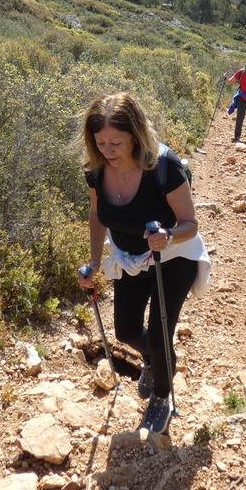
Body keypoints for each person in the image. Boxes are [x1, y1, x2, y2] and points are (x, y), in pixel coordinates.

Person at [78, 93, 210, 435]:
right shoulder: (95, 171)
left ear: (135, 135)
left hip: (172, 257)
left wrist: (167, 235)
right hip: (128, 257)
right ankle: (155, 360)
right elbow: (97, 214)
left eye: (115, 142)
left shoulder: (164, 167)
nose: (107, 149)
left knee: (160, 331)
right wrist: (94, 261)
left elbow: (190, 224)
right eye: (100, 141)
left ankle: (163, 398)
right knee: (126, 331)